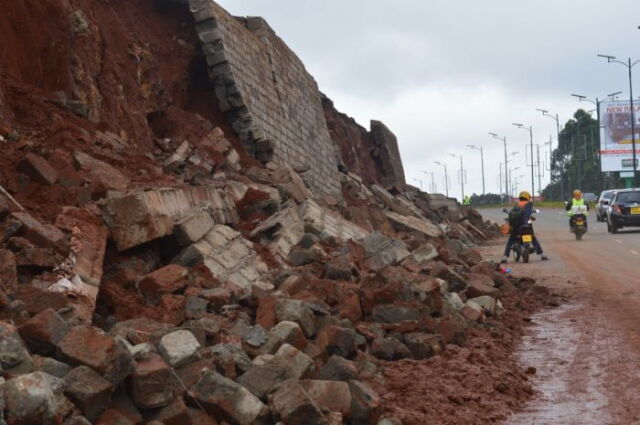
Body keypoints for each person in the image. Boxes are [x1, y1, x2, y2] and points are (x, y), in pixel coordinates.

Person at [501, 190, 548, 263]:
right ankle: (542, 255)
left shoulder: (517, 205)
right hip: (526, 226)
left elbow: (512, 215)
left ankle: (504, 257)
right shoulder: (529, 204)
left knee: (510, 240)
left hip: (516, 227)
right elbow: (527, 215)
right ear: (528, 197)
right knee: (533, 238)